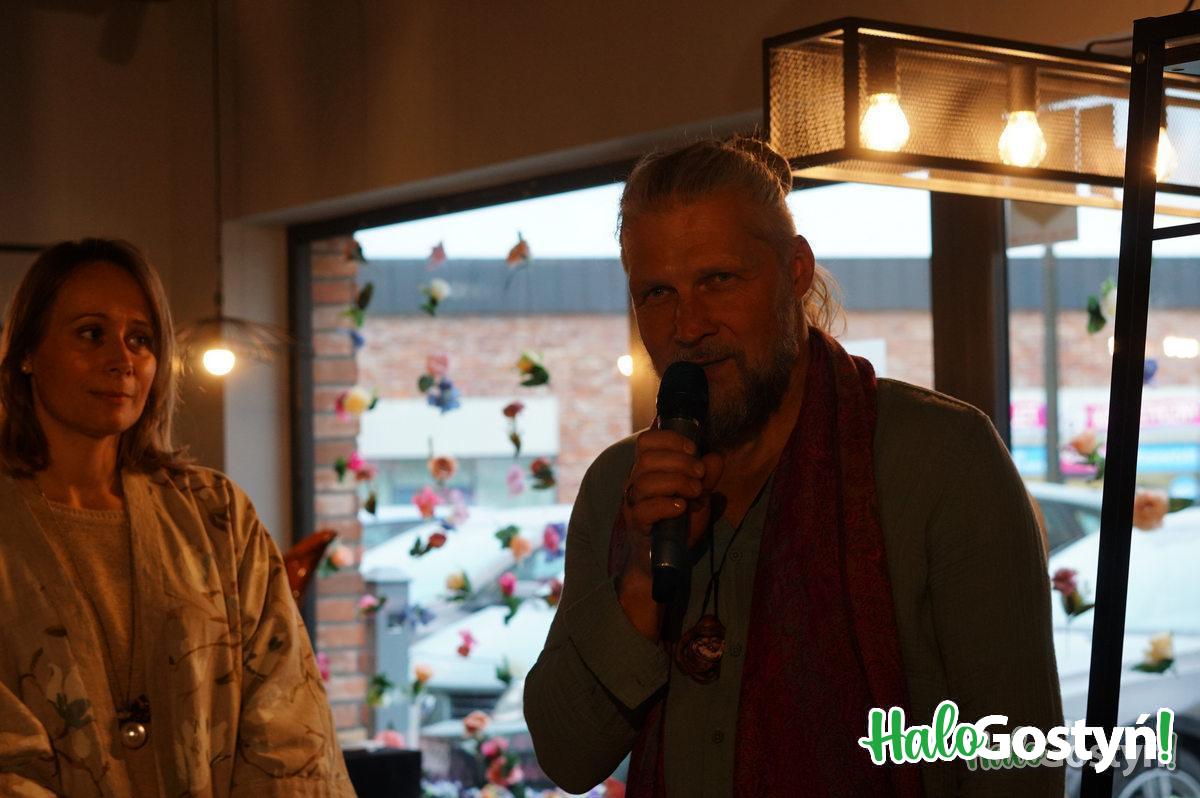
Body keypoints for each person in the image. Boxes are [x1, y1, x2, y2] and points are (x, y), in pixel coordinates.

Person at [524, 138, 1063, 797]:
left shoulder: (940, 458)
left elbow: (1018, 765)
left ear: (796, 270)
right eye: (657, 293)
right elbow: (566, 757)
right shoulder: (622, 486)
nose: (688, 325)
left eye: (718, 280)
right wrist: (640, 580)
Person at [0, 239, 355, 797]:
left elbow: (288, 722)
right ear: (26, 351)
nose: (122, 359)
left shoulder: (216, 515)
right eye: (91, 333)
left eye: (140, 339)